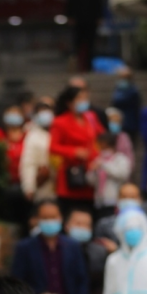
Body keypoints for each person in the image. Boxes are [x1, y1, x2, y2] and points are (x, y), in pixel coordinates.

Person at [10, 199, 89, 294]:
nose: (49, 221)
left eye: (53, 217)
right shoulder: (25, 247)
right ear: (37, 219)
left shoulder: (73, 246)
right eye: (45, 218)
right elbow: (18, 283)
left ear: (60, 218)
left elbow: (82, 280)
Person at [49, 86, 104, 217]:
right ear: (69, 102)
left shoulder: (91, 118)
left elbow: (102, 139)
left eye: (85, 98)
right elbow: (53, 147)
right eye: (79, 98)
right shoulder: (60, 122)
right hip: (71, 175)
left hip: (90, 174)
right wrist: (74, 151)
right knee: (70, 213)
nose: (83, 101)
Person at [65, 0, 105, 72]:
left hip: (79, 20)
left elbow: (70, 3)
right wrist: (99, 17)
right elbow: (99, 3)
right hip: (90, 20)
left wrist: (70, 16)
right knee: (90, 44)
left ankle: (78, 66)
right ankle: (87, 67)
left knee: (78, 44)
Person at [88, 131, 132, 220]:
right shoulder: (99, 159)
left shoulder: (121, 159)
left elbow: (122, 174)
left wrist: (104, 165)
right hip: (99, 200)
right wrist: (93, 171)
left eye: (104, 145)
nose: (101, 147)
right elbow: (90, 181)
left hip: (114, 200)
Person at [20, 98, 57, 202]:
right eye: (41, 112)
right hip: (43, 185)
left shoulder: (60, 130)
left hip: (63, 185)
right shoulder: (33, 135)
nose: (44, 115)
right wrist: (29, 187)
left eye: (47, 111)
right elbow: (28, 164)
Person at [110, 67, 141, 141]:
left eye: (125, 77)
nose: (123, 80)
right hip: (118, 123)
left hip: (130, 124)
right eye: (121, 77)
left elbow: (119, 101)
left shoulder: (133, 91)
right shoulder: (117, 89)